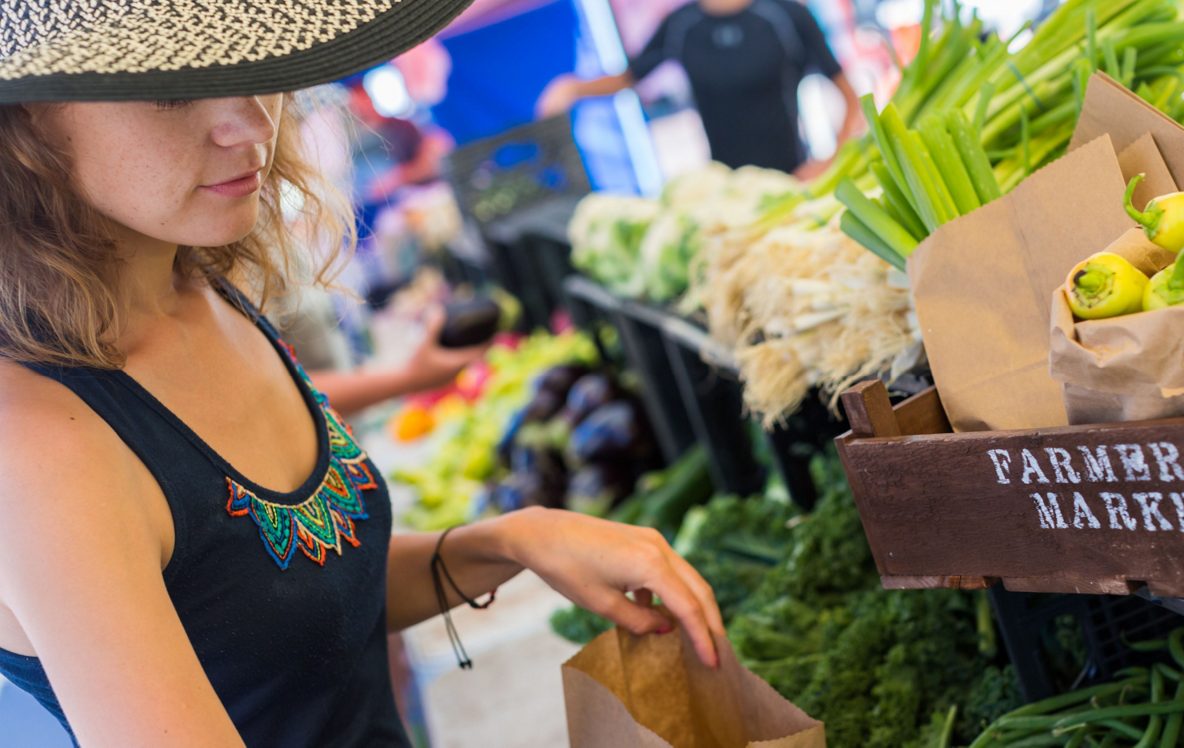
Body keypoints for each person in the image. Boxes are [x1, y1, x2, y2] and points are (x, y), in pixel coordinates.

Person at [0, 4, 723, 748]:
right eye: (172, 91)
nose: (252, 125)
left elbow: (301, 599)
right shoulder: (37, 447)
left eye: (257, 71)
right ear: (24, 130)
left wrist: (514, 541)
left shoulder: (207, 294)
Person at [537, 0, 862, 176]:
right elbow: (628, 77)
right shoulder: (682, 24)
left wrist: (830, 162)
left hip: (793, 180)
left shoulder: (785, 15)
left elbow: (852, 98)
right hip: (726, 187)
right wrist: (572, 88)